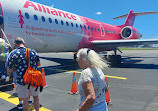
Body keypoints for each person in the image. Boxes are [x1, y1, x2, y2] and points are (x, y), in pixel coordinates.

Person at [6, 37, 41, 111]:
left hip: (22, 80)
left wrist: (17, 68)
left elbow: (9, 69)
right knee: (36, 97)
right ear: (24, 43)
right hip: (34, 79)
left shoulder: (13, 53)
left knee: (25, 100)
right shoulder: (32, 51)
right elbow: (38, 64)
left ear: (15, 44)